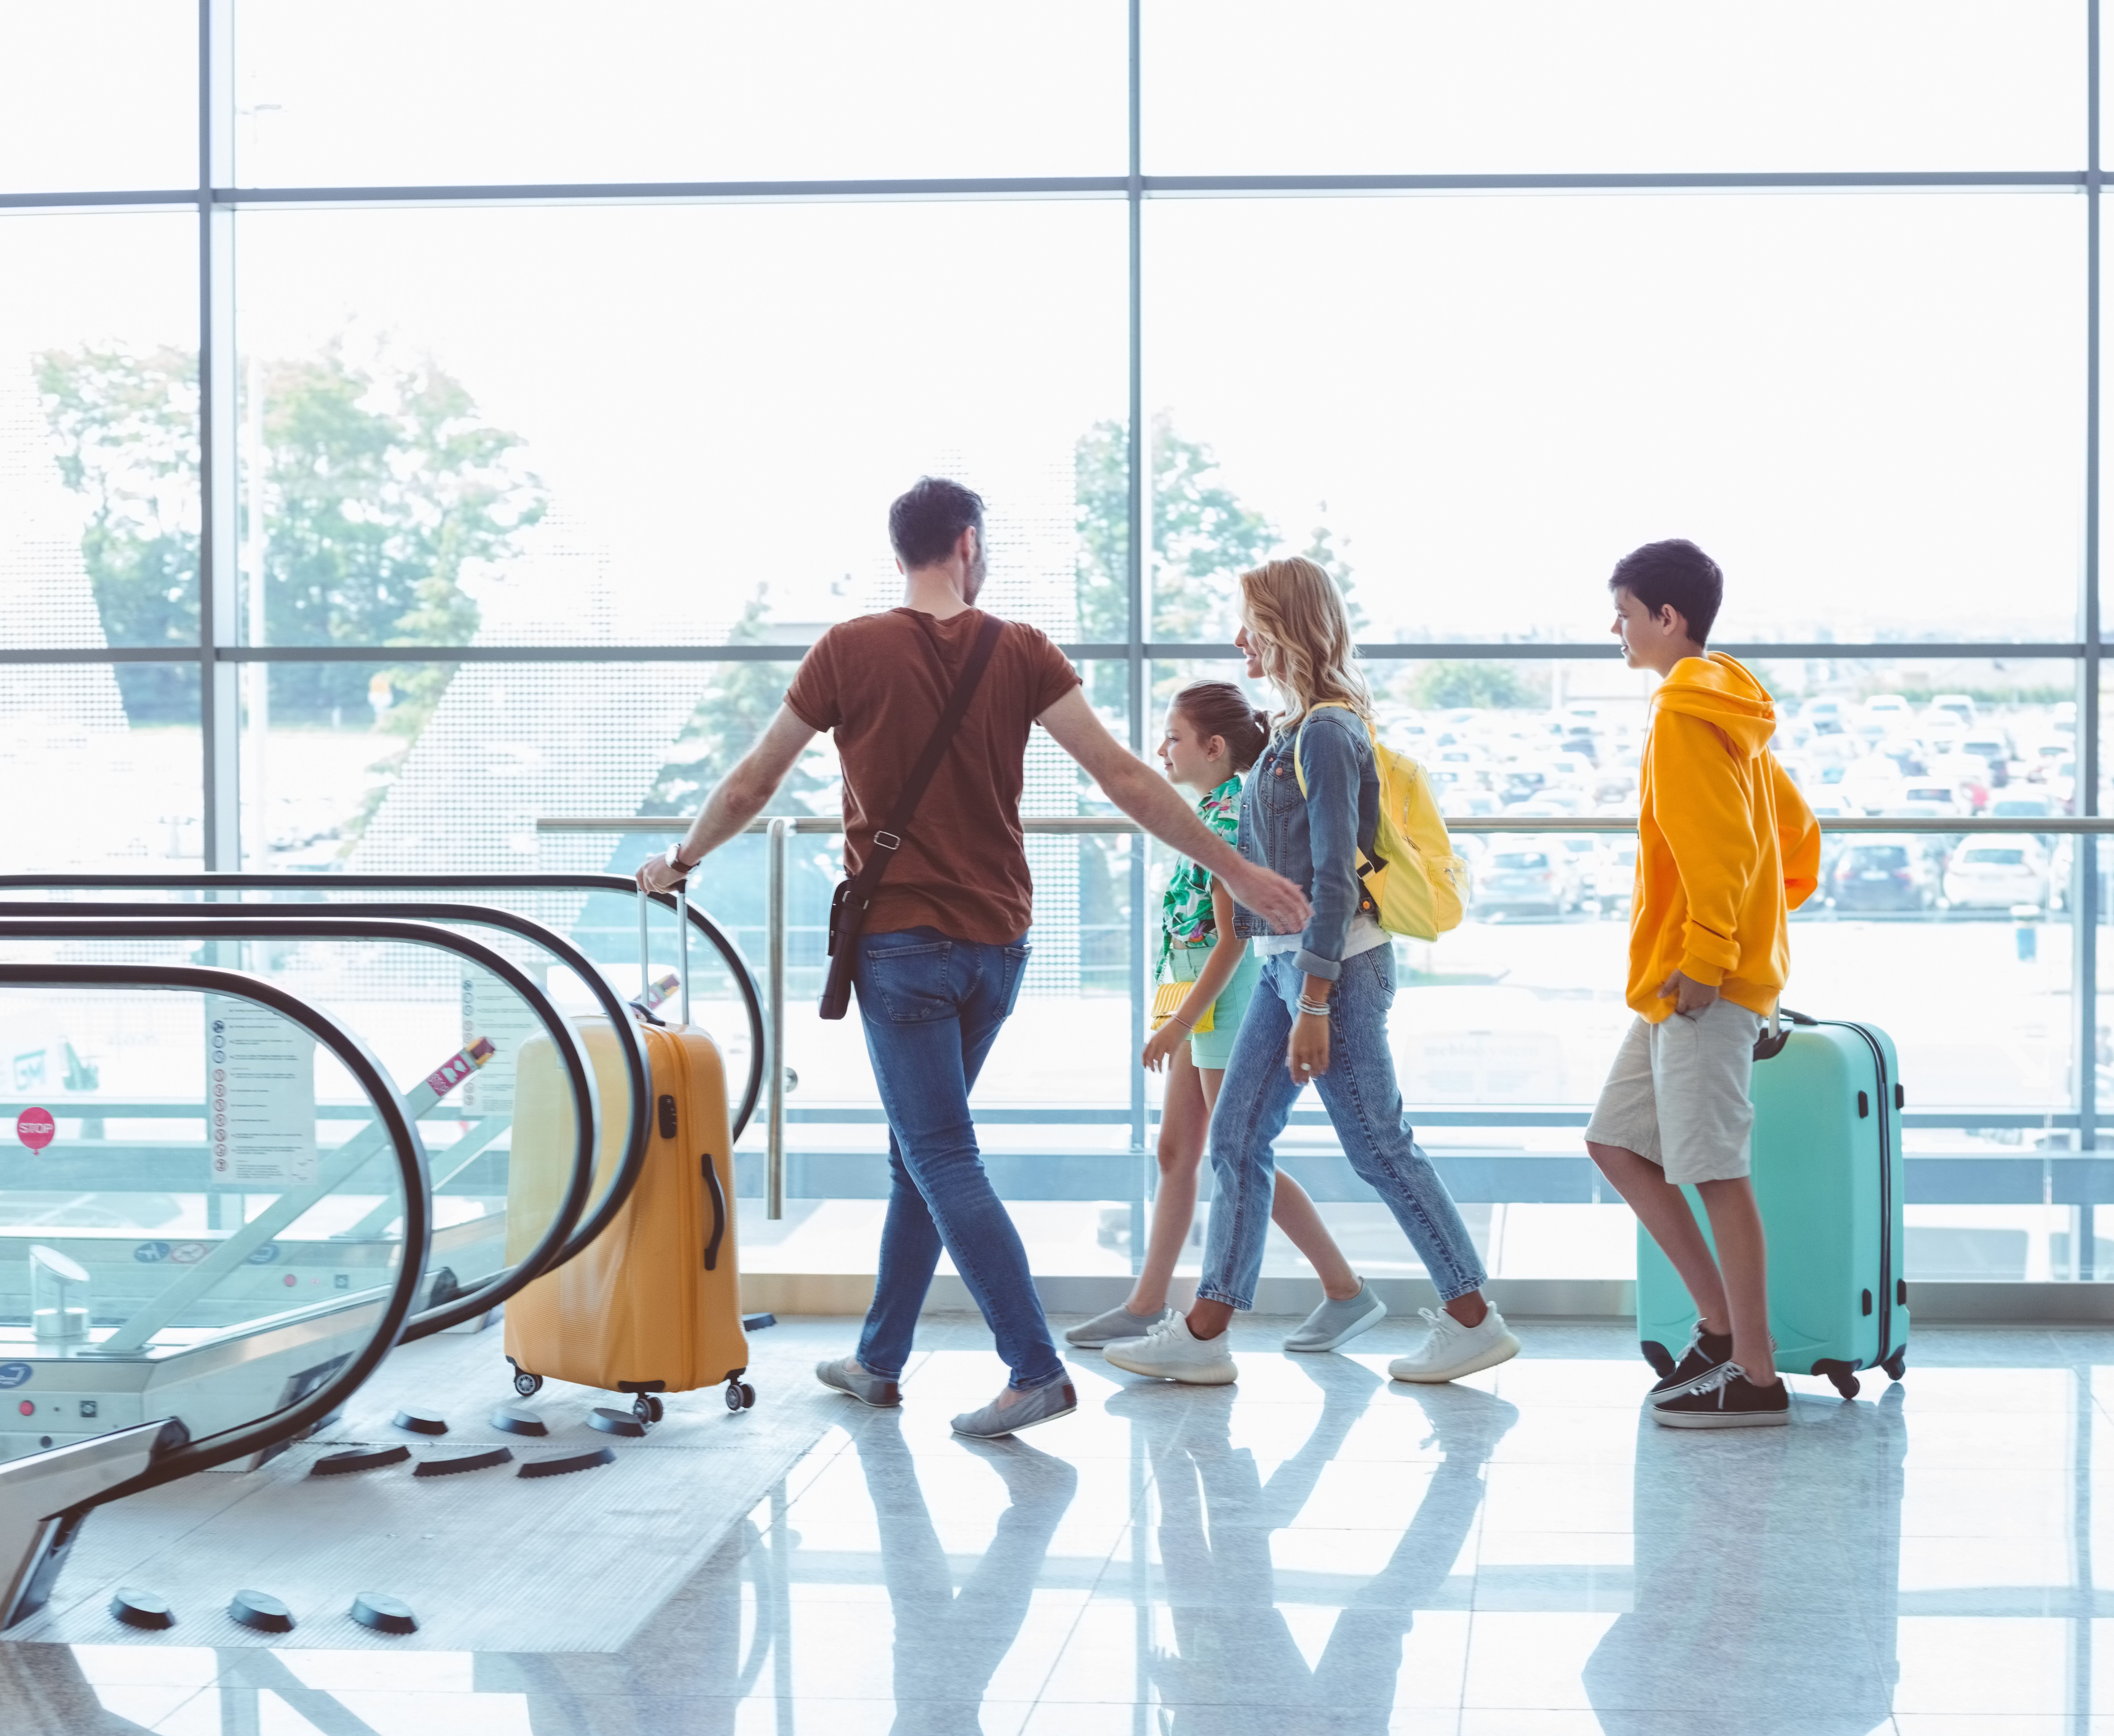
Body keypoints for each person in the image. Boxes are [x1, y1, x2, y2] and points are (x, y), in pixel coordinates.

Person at [641, 477, 1311, 1440]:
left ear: (906, 549)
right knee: (920, 1152)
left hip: (901, 947)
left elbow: (755, 779)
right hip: (997, 947)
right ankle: (879, 1356)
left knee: (939, 1150)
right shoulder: (1020, 649)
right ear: (966, 544)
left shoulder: (847, 650)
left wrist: (682, 859)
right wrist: (1236, 866)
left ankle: (1033, 1367)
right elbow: (1124, 774)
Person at [1104, 555, 1521, 1387]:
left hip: (1334, 973)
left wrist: (1318, 1001)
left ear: (1285, 626)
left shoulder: (1328, 733)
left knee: (1378, 1147)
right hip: (1277, 968)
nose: (1237, 639)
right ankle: (1205, 1332)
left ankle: (1473, 1318)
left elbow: (1336, 875)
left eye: (1249, 622)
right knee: (1236, 1139)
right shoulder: (1295, 729)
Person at [1064, 681, 1381, 1353]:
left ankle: (1346, 1289)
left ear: (1214, 747)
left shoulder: (1234, 812)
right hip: (1197, 1000)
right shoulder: (1215, 804)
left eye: (1174, 737)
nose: (1162, 750)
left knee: (1240, 1153)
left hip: (1223, 1001)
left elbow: (1234, 938)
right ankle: (1147, 1304)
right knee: (1178, 1150)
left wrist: (1182, 1023)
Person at [1581, 538, 1819, 1428]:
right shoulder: (1733, 706)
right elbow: (1794, 839)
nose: (1618, 627)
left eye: (1625, 612)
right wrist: (1757, 924)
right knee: (1615, 1141)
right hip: (1688, 977)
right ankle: (1720, 1330)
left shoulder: (1686, 711)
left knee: (1717, 1174)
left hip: (1699, 981)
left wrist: (1715, 955)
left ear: (1666, 619)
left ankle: (1755, 1378)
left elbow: (1719, 848)